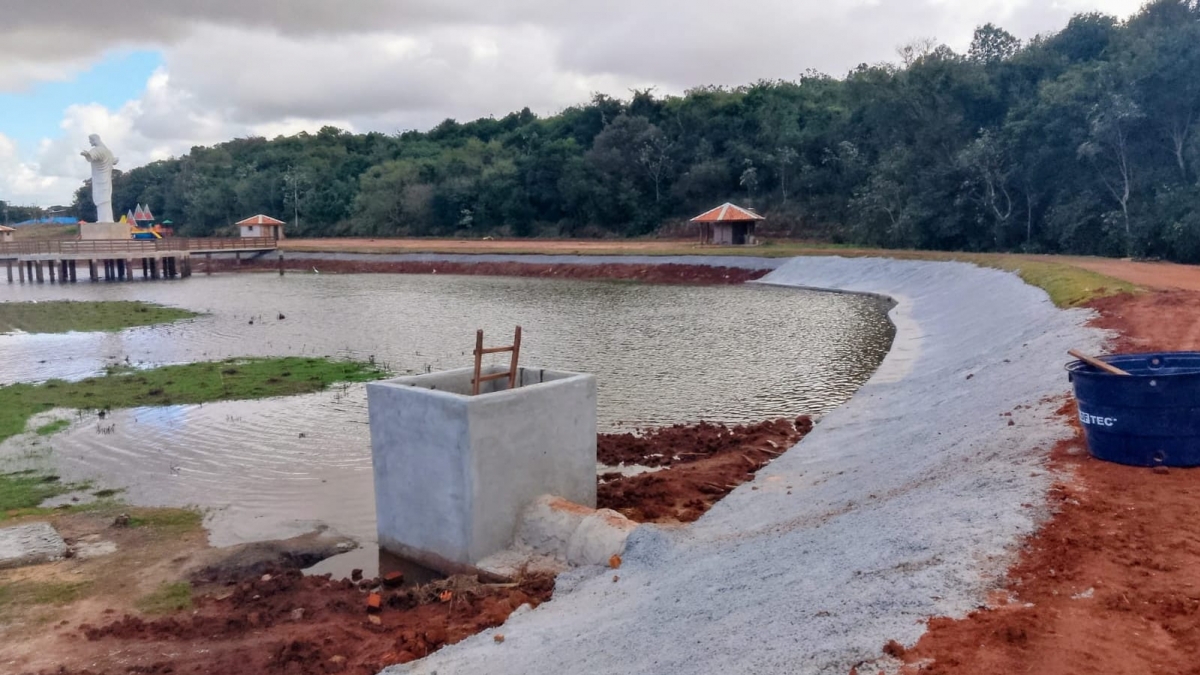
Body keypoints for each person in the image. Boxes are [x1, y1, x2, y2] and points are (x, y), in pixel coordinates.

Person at [80, 134, 118, 222]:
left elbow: (91, 156)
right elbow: (114, 161)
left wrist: (86, 154)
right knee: (106, 199)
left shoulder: (98, 150)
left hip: (100, 179)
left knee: (101, 198)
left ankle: (104, 219)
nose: (89, 142)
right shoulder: (107, 151)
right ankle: (107, 219)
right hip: (106, 178)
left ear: (94, 139)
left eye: (90, 140)